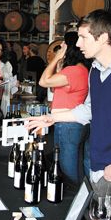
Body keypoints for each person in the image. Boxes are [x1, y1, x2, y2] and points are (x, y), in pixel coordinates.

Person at [27, 10, 111, 220]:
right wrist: (52, 118)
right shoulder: (95, 70)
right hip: (97, 170)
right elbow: (88, 110)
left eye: (84, 37)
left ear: (103, 37)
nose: (78, 43)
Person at [38, 31, 91, 183]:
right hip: (71, 123)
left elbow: (43, 81)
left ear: (69, 48)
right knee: (73, 163)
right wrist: (60, 64)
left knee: (67, 168)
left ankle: (74, 201)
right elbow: (54, 88)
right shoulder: (80, 69)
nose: (60, 46)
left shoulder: (74, 71)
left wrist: (56, 58)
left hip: (67, 124)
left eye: (63, 44)